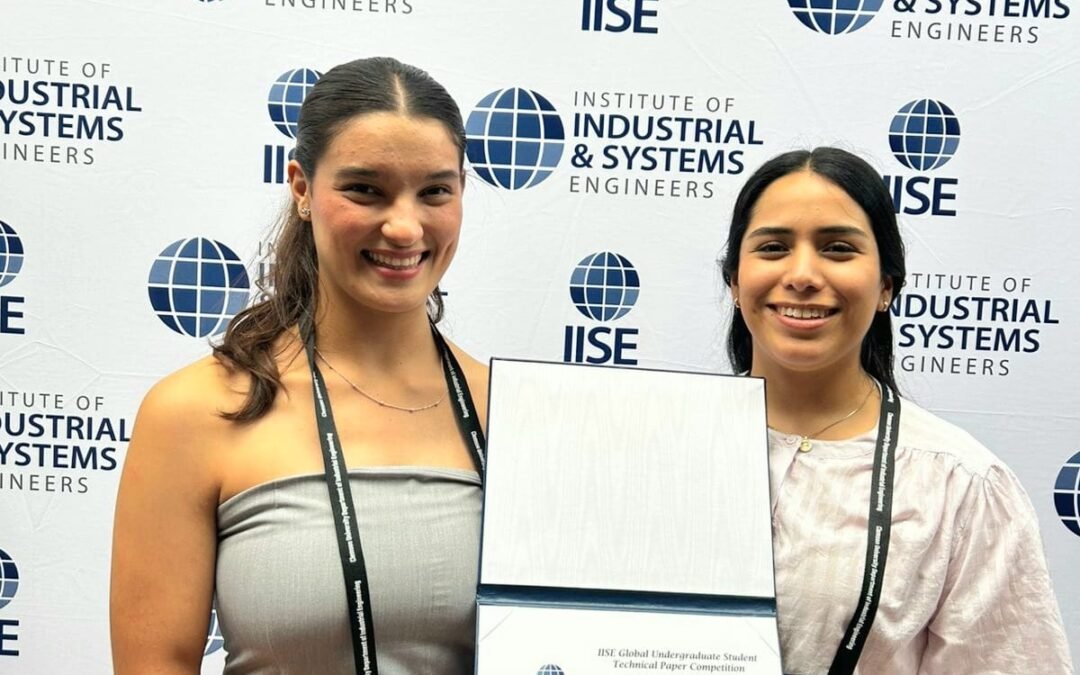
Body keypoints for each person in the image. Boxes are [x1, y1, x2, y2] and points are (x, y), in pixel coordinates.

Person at [110, 57, 488, 675]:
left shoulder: (514, 412)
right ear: (302, 188)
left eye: (434, 192)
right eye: (365, 189)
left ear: (462, 194)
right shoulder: (195, 413)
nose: (404, 226)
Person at [719, 147, 1073, 674]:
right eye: (773, 247)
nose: (802, 274)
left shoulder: (959, 485)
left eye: (838, 248)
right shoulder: (655, 446)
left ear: (886, 285)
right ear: (734, 280)